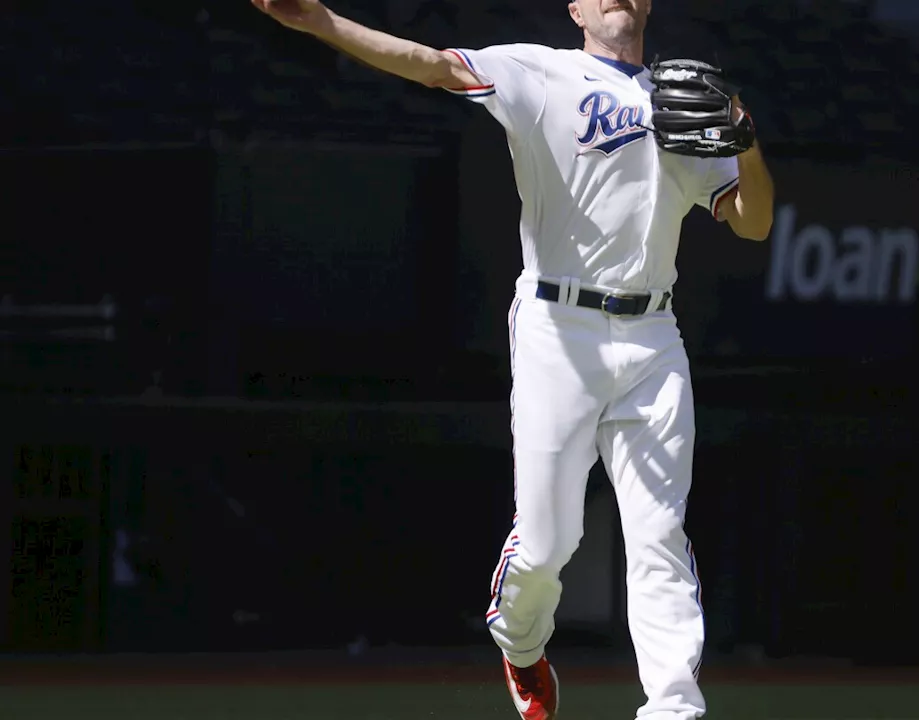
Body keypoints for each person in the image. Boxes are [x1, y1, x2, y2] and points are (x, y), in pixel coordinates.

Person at [250, 1, 775, 717]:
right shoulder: (542, 72)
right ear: (576, 8)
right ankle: (521, 645)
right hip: (558, 328)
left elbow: (754, 221)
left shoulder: (679, 102)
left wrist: (745, 141)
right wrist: (321, 23)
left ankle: (674, 708)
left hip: (653, 335)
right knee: (548, 543)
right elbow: (431, 66)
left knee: (660, 535)